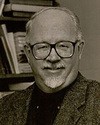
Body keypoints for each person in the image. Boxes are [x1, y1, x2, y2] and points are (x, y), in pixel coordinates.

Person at [0, 7, 100, 125]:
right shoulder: (4, 108)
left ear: (79, 49)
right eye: (42, 47)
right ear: (28, 53)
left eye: (63, 46)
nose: (53, 58)